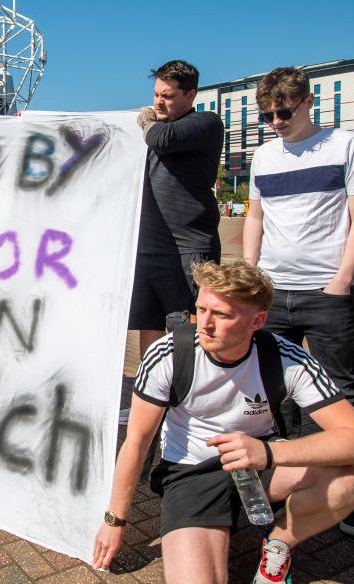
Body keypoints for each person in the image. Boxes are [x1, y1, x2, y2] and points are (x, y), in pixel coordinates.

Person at [92, 260, 354, 584]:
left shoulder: (288, 358)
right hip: (191, 472)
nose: (205, 324)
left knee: (345, 483)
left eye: (222, 315)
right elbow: (137, 442)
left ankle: (279, 543)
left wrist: (267, 452)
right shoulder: (168, 354)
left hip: (259, 464)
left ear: (257, 321)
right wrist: (115, 520)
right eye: (201, 309)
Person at [243, 66, 354, 539]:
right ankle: (280, 487)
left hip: (326, 293)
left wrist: (342, 280)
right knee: (270, 392)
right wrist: (251, 274)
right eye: (267, 116)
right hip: (272, 292)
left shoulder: (346, 145)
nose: (276, 122)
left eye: (283, 112)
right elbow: (256, 217)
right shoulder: (264, 156)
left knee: (341, 391)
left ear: (308, 102)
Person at [123, 59, 224, 423]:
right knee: (149, 325)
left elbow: (162, 139)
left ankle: (188, 404)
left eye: (167, 95)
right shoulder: (149, 128)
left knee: (188, 328)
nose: (159, 102)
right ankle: (150, 400)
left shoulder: (205, 124)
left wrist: (147, 122)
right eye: (156, 94)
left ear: (190, 95)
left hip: (190, 248)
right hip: (149, 248)